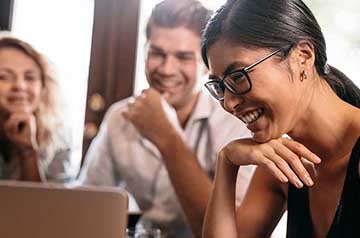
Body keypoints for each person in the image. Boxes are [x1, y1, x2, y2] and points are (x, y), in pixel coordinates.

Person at [78, 0, 253, 237]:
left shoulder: (235, 122)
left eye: (183, 57)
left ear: (206, 66)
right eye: (157, 53)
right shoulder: (120, 116)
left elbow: (232, 232)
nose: (167, 69)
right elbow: (87, 204)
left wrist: (167, 137)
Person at [201, 0, 360, 237]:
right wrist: (226, 162)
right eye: (220, 87)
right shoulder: (281, 165)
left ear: (302, 57)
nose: (229, 103)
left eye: (238, 76)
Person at [0, 35, 76, 183]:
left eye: (29, 78)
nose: (20, 86)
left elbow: (47, 204)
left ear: (43, 88)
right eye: (3, 77)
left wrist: (28, 151)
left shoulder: (57, 136)